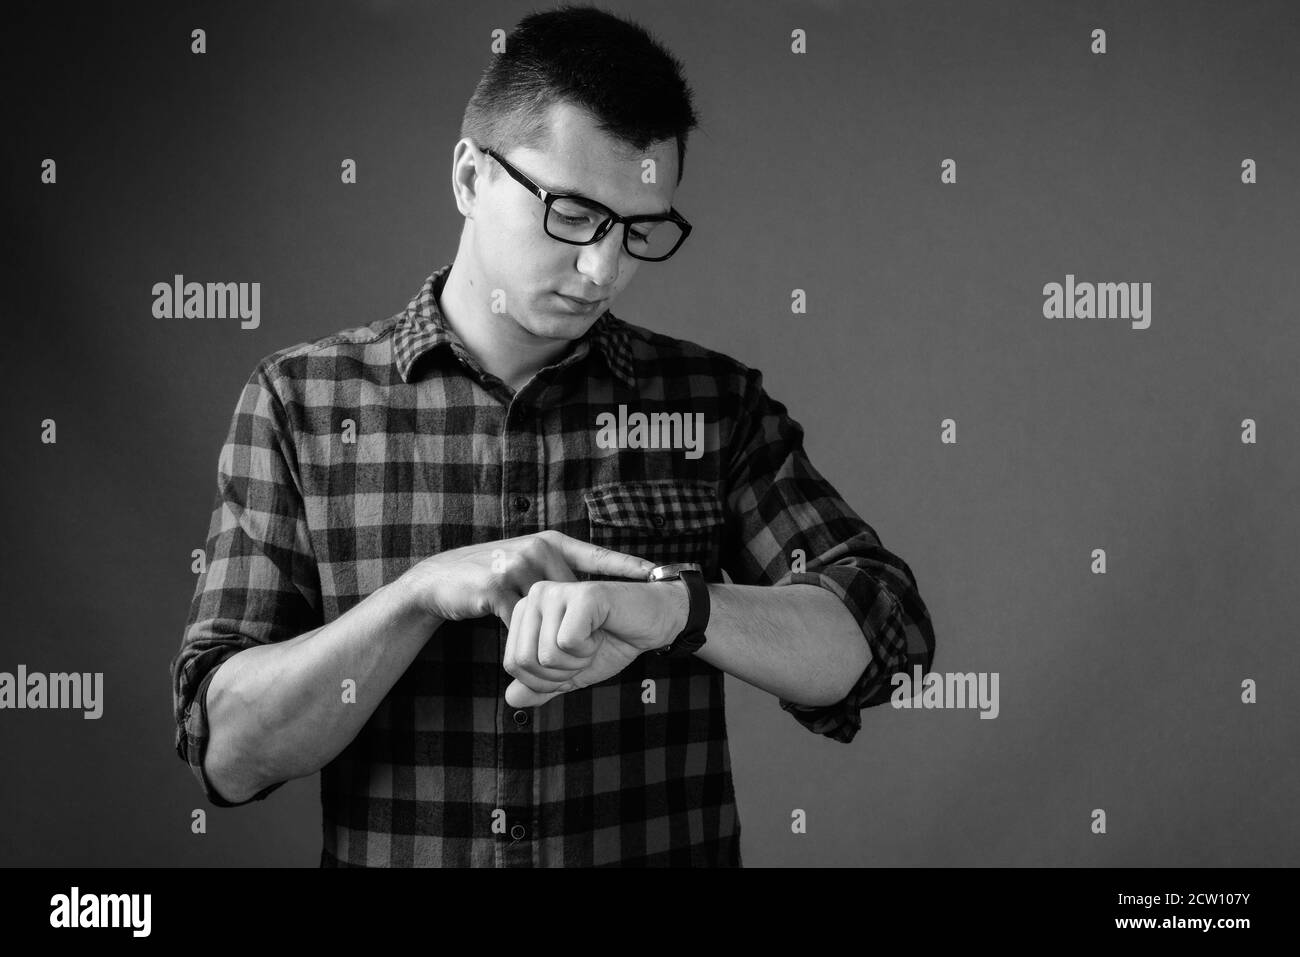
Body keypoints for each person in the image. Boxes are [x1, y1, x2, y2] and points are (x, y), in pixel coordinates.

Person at [170, 3, 936, 867]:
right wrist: (419, 593)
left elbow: (886, 634)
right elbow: (226, 752)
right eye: (572, 213)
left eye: (639, 228)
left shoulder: (710, 402)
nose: (603, 268)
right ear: (469, 178)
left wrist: (669, 608)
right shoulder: (299, 404)